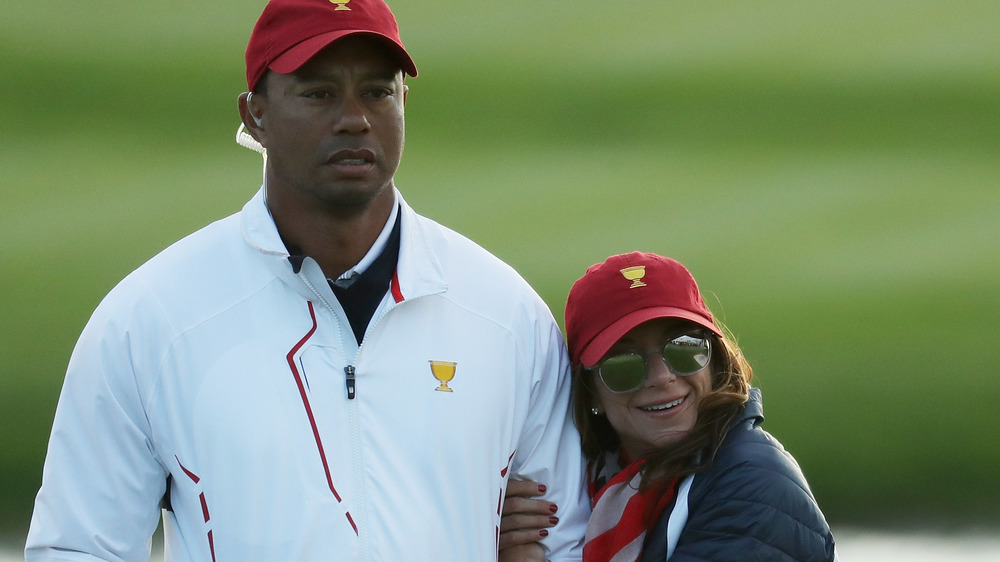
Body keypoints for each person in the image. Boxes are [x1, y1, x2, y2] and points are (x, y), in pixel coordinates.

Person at [24, 1, 590, 559]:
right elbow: (79, 546)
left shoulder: (505, 312)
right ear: (255, 115)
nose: (354, 117)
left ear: (403, 103)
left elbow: (564, 539)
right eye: (318, 93)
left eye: (377, 91)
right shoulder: (149, 319)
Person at [500, 252, 837, 561]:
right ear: (591, 394)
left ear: (715, 362)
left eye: (684, 347)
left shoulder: (755, 487)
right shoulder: (589, 480)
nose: (662, 377)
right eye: (623, 365)